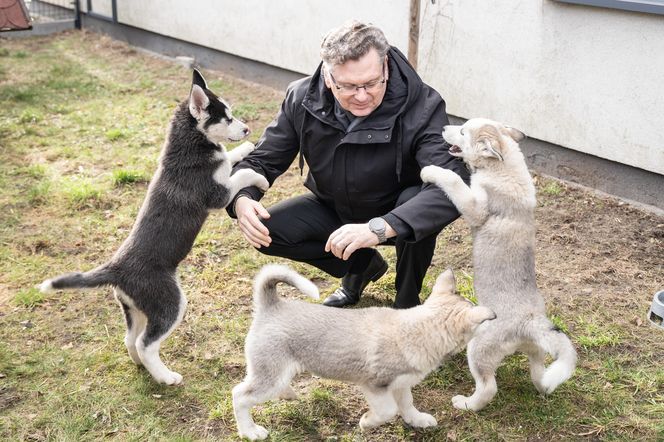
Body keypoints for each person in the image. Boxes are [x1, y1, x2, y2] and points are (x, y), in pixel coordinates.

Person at [227, 20, 468, 309]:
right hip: (335, 205)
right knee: (267, 231)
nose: (362, 96)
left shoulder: (423, 106)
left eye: (371, 83)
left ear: (386, 66)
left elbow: (451, 185)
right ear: (329, 77)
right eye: (349, 87)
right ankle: (361, 267)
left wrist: (381, 227)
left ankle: (407, 301)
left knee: (416, 202)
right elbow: (264, 158)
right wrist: (241, 197)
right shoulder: (302, 98)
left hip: (398, 212)